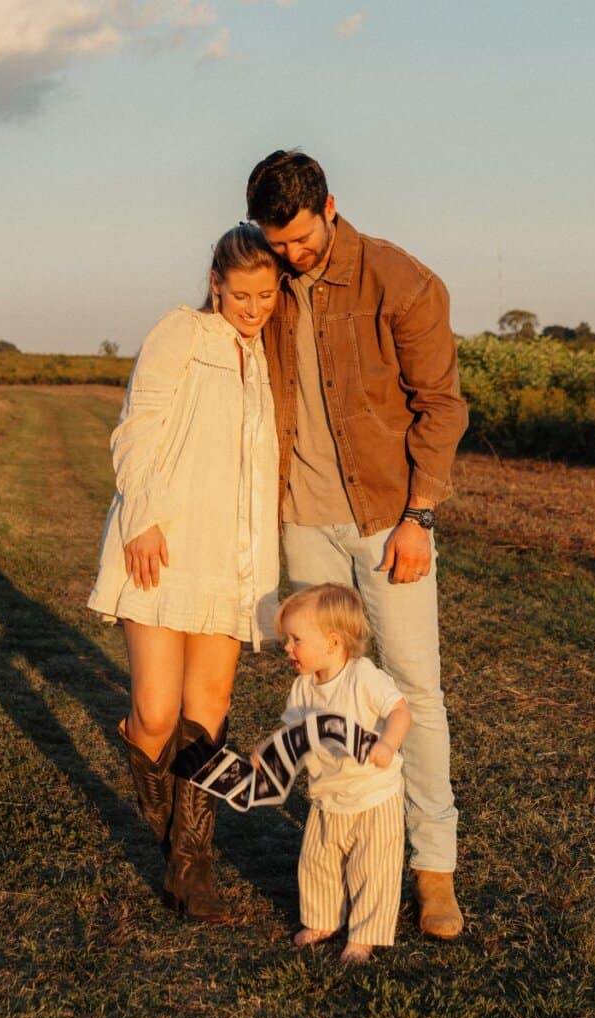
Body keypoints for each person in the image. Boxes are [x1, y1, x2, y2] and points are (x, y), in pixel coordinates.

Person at [246, 151, 469, 940]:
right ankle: (341, 853)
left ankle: (431, 872)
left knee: (410, 690)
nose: (291, 258)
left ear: (330, 207)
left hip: (386, 520)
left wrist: (421, 516)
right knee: (321, 691)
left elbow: (440, 407)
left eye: (302, 243)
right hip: (302, 519)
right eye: (278, 245)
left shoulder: (399, 280)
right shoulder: (262, 272)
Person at [87, 224, 282, 922]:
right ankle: (176, 837)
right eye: (241, 294)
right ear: (214, 284)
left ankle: (190, 872)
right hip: (164, 540)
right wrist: (142, 516)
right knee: (154, 714)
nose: (254, 307)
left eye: (266, 294)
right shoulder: (180, 334)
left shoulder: (267, 358)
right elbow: (136, 426)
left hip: (233, 554)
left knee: (209, 713)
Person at [254, 584, 411, 963]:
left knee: (372, 868)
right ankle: (323, 920)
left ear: (333, 642)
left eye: (295, 640)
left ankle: (364, 936)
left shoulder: (363, 677)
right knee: (318, 860)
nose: (287, 648)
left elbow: (400, 711)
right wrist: (270, 750)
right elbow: (294, 733)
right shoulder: (304, 688)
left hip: (374, 793)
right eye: (286, 640)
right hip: (328, 794)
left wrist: (387, 744)